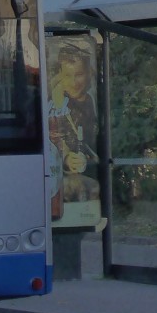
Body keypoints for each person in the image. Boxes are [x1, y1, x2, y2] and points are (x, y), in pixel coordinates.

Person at [48, 46, 100, 204]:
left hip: (92, 169)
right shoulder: (55, 104)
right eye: (67, 76)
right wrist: (66, 158)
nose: (73, 82)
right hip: (66, 181)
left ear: (88, 73)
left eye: (79, 75)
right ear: (60, 76)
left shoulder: (94, 99)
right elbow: (52, 137)